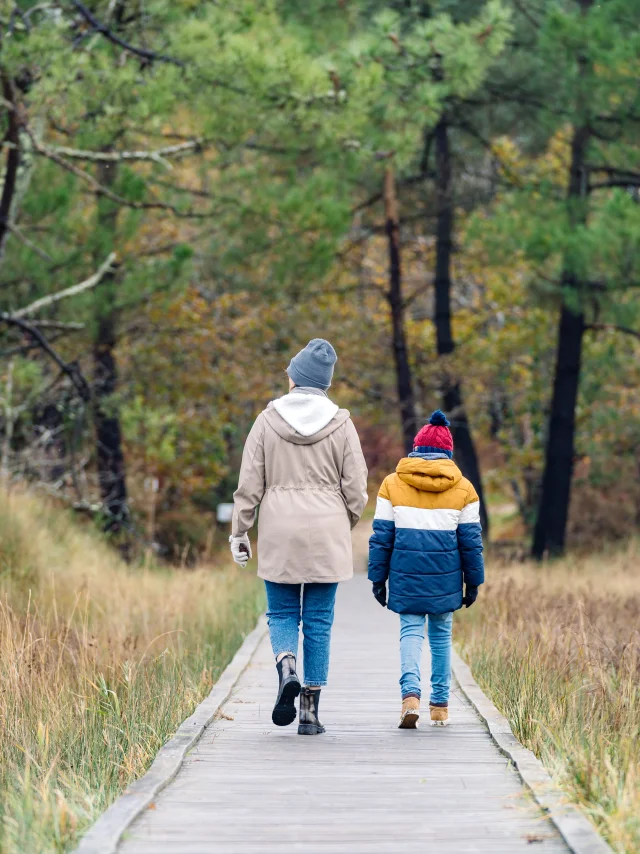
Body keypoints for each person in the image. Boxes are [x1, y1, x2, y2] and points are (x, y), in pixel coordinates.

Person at [229, 339, 368, 735]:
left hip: (279, 531)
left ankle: (286, 666)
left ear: (297, 377)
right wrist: (344, 520)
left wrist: (240, 531)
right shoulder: (342, 423)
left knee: (283, 613)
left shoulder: (266, 421)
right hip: (328, 529)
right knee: (320, 621)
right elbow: (356, 486)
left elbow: (249, 484)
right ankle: (309, 711)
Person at [367, 410, 484, 729]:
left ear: (416, 449)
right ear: (448, 453)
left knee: (410, 632)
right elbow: (471, 543)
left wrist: (378, 578)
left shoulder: (391, 484)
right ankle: (441, 707)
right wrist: (473, 582)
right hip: (446, 576)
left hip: (406, 573)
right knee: (442, 635)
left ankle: (410, 698)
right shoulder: (465, 489)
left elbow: (381, 537)